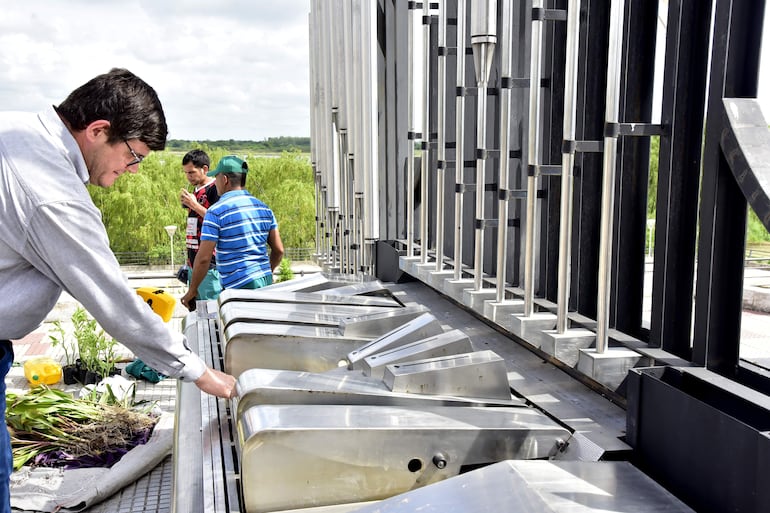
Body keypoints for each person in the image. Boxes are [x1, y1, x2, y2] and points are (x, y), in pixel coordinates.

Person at [0, 68, 236, 512]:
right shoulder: (51, 192)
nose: (131, 170)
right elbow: (111, 299)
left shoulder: (15, 130)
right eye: (133, 155)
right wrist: (198, 371)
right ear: (97, 130)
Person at [181, 156, 284, 310]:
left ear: (224, 179)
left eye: (216, 177)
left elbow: (203, 259)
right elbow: (279, 250)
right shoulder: (263, 208)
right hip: (265, 281)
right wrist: (264, 272)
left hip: (238, 286)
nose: (214, 182)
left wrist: (192, 290)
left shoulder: (216, 212)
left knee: (242, 330)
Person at [179, 149, 222, 300]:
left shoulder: (215, 189)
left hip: (209, 263)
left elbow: (219, 221)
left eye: (191, 172)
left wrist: (194, 205)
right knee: (198, 313)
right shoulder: (195, 191)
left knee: (212, 311)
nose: (188, 177)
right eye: (186, 173)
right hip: (193, 262)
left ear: (205, 169)